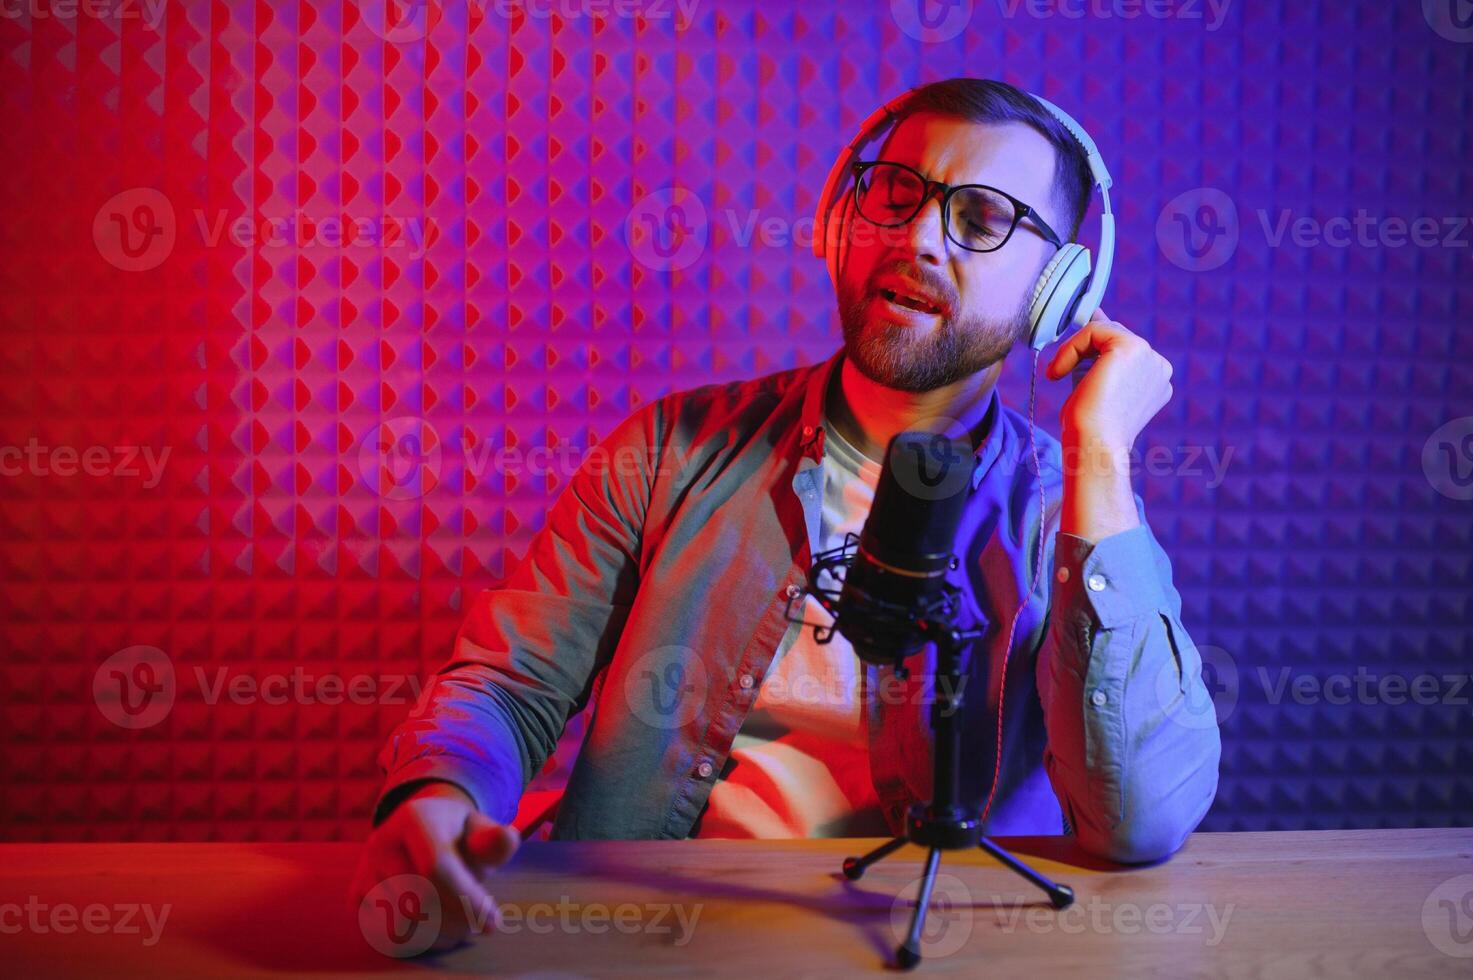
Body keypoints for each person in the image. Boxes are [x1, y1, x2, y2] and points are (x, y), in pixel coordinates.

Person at [350, 77, 1221, 951]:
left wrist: (1098, 455)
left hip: (936, 945)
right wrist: (438, 799)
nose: (918, 237)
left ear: (1057, 287)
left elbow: (1136, 823)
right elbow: (512, 684)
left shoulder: (1062, 510)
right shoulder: (668, 450)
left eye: (983, 219)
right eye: (896, 193)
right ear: (843, 218)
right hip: (661, 935)